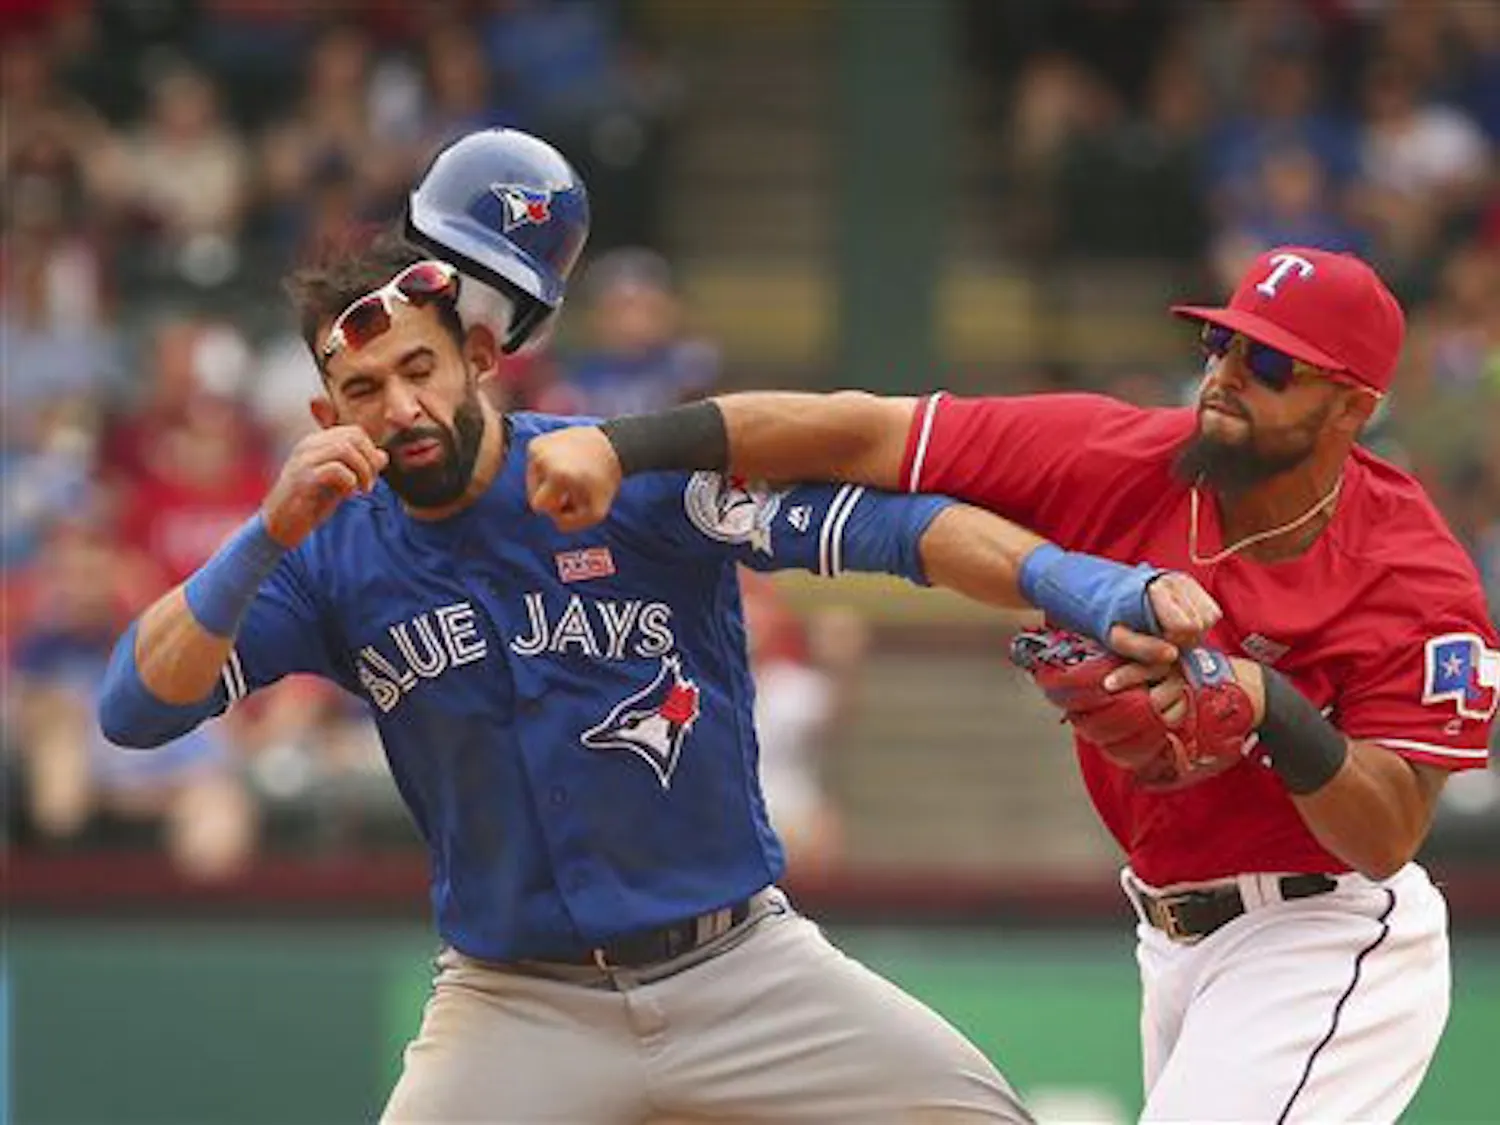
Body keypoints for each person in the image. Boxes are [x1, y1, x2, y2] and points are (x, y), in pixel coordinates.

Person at [96, 132, 1219, 1123]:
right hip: (513, 1001)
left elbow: (899, 533)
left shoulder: (615, 474)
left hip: (741, 968)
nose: (399, 408)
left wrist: (1089, 588)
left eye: (421, 368)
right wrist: (264, 531)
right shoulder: (326, 555)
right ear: (323, 415)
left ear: (481, 359)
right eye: (362, 389)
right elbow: (136, 708)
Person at [526, 245, 1499, 1123]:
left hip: (1325, 935)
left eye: (1271, 365)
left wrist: (1268, 705)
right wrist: (624, 446)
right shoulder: (1117, 458)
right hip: (1172, 937)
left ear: (1354, 406)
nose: (1227, 378)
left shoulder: (1413, 579)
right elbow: (860, 433)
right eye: (1220, 345)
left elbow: (1386, 836)